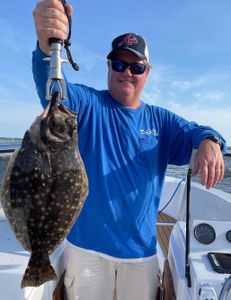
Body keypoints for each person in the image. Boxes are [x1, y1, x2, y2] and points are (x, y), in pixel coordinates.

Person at [32, 1, 227, 299]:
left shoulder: (161, 120)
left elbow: (197, 131)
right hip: (85, 247)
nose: (127, 73)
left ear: (147, 73)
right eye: (119, 65)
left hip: (140, 253)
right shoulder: (87, 104)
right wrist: (48, 49)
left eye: (136, 67)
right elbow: (54, 90)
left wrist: (211, 141)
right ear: (109, 67)